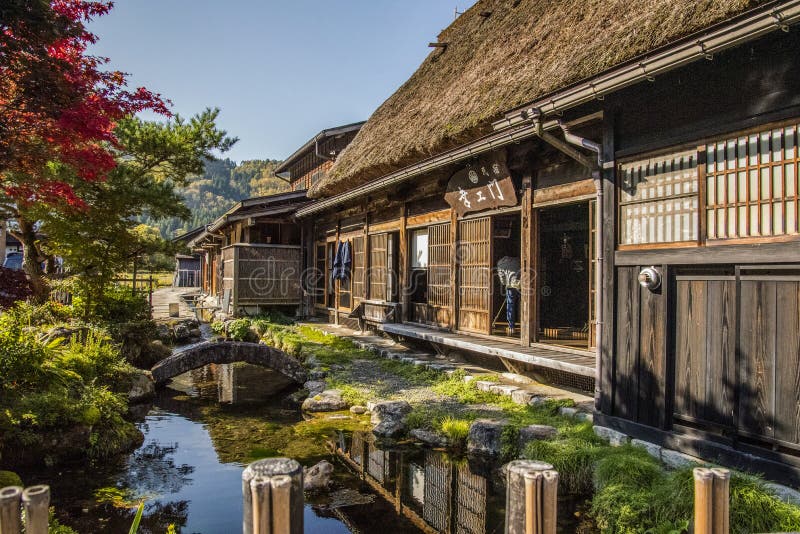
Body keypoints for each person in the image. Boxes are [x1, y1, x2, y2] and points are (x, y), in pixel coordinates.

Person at [496, 256, 521, 333]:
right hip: (520, 284)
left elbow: (502, 278)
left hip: (510, 286)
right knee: (523, 304)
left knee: (510, 305)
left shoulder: (500, 263)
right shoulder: (517, 260)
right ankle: (524, 324)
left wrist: (505, 282)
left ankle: (511, 326)